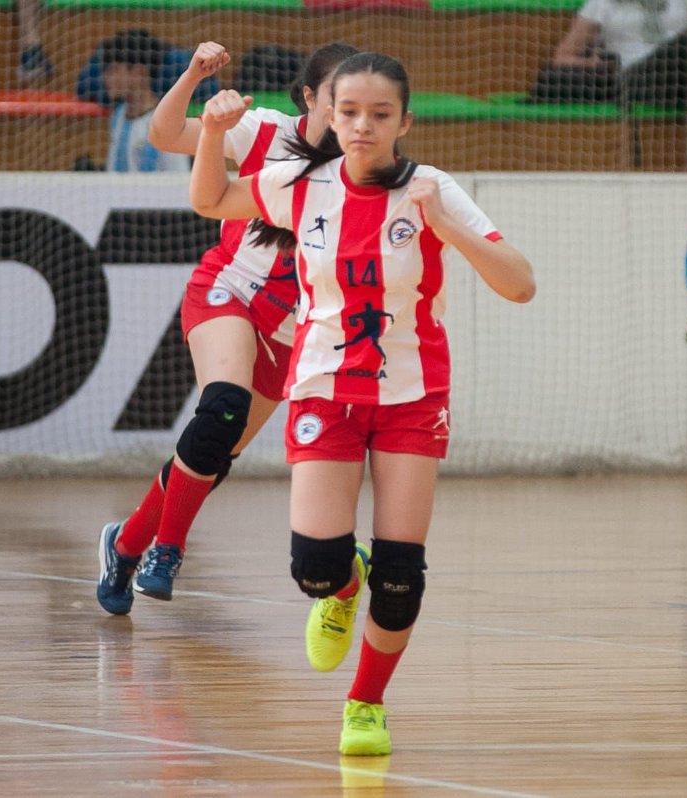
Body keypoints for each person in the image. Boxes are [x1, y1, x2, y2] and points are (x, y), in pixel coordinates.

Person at [189, 52, 536, 754]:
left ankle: (366, 704)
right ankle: (344, 591)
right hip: (324, 386)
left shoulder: (432, 189)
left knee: (402, 575)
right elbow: (211, 200)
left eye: (380, 114)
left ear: (405, 121)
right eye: (348, 112)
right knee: (316, 565)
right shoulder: (298, 184)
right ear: (327, 113)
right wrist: (208, 134)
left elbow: (521, 284)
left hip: (412, 393)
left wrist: (449, 226)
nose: (362, 126)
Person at [95, 41, 360, 614]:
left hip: (293, 330)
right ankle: (167, 548)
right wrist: (194, 77)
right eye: (341, 99)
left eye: (364, 104)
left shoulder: (370, 169)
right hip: (231, 290)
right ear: (311, 97)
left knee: (211, 455)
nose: (353, 114)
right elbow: (163, 137)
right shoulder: (264, 131)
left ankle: (126, 543)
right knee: (221, 409)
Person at [542, 0, 687, 171]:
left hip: (681, 79)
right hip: (635, 76)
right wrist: (592, 63)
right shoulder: (604, 3)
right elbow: (562, 57)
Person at [100, 30, 189, 173]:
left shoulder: (167, 121)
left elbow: (179, 175)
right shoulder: (118, 117)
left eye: (114, 70)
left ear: (139, 72)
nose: (106, 77)